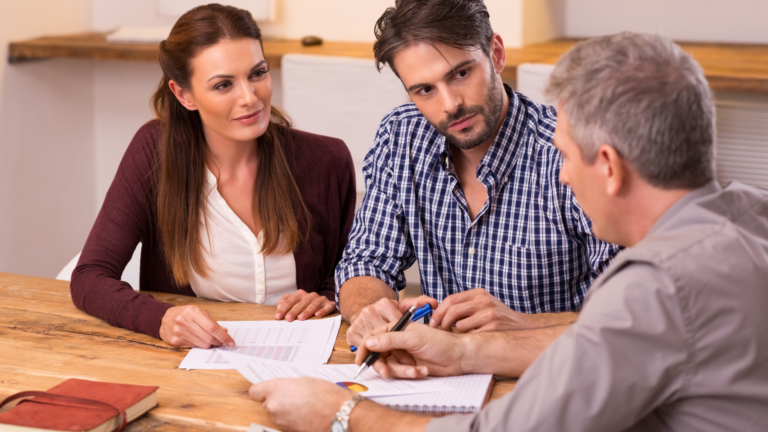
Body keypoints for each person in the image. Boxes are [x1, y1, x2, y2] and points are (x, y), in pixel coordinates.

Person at [249, 33, 768, 432]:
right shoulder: (749, 214)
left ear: (608, 166)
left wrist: (342, 412)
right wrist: (461, 352)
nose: (562, 172)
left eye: (566, 156)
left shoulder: (657, 287)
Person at [336, 0, 620, 354]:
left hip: (551, 377)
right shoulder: (401, 136)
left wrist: (522, 324)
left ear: (496, 54)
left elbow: (633, 315)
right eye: (425, 90)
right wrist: (371, 314)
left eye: (461, 73)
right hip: (438, 372)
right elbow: (366, 260)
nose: (450, 104)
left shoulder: (569, 150)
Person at [70, 4, 356, 349]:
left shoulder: (327, 160)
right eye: (223, 85)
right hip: (196, 364)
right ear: (184, 95)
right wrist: (160, 318)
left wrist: (329, 296)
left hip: (305, 357)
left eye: (257, 73)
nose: (250, 98)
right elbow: (90, 277)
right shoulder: (154, 153)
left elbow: (349, 271)